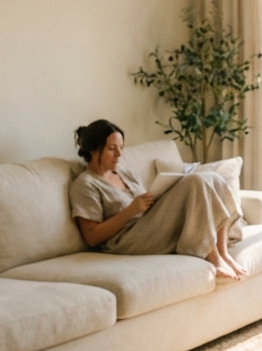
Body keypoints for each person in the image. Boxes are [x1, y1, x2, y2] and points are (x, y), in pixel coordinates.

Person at [68, 119, 246, 281]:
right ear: (93, 151)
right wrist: (131, 210)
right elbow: (92, 237)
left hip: (149, 224)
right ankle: (213, 258)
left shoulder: (124, 174)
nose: (119, 154)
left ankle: (223, 253)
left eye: (121, 147)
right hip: (125, 240)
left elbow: (145, 204)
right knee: (195, 182)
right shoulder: (85, 184)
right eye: (112, 149)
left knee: (212, 177)